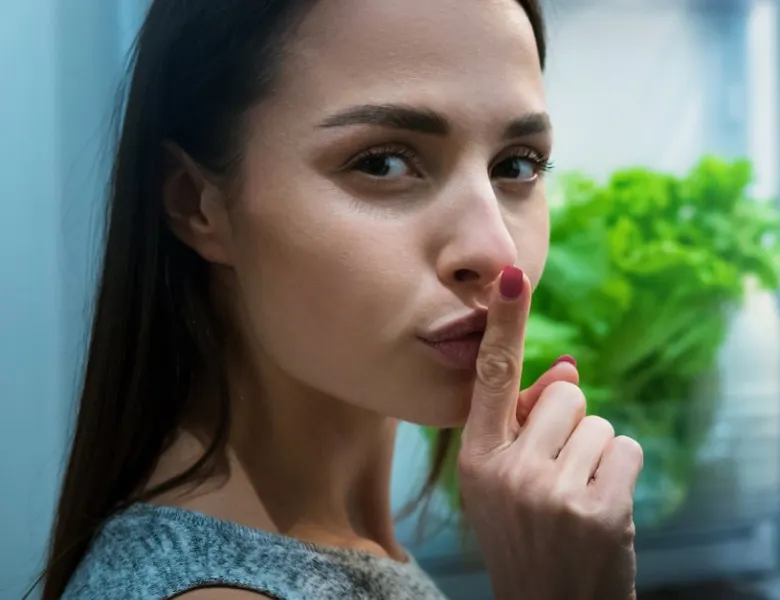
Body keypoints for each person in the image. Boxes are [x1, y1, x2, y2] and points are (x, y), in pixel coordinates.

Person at [38, 0, 644, 598]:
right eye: (382, 164)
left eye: (516, 165)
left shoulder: (350, 549)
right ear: (197, 203)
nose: (495, 251)